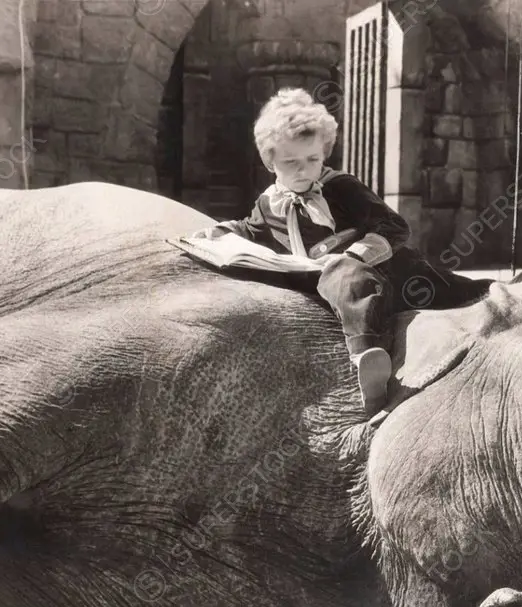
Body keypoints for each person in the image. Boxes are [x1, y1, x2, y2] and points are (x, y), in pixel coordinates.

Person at [192, 87, 493, 421]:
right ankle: (371, 371)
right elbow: (251, 229)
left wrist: (354, 254)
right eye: (291, 163)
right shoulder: (268, 204)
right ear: (269, 161)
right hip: (335, 283)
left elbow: (394, 225)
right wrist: (218, 234)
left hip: (389, 270)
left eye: (313, 160)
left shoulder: (340, 187)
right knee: (339, 283)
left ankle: (368, 351)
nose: (304, 170)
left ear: (325, 154)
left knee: (464, 292)